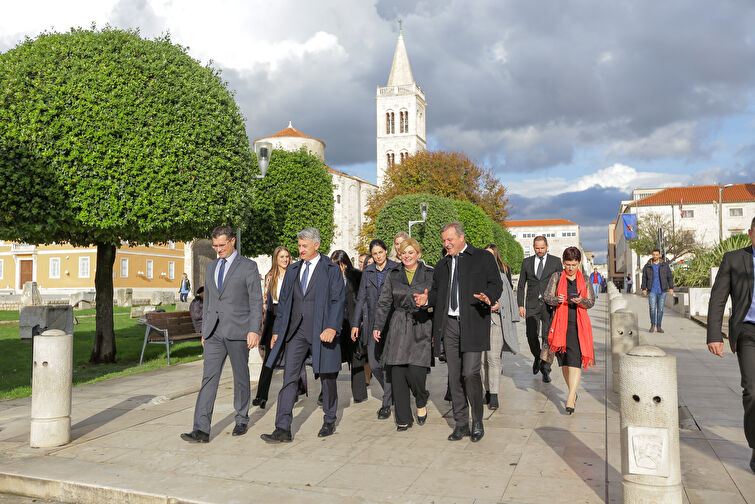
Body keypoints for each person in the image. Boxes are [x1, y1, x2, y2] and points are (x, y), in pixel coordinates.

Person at [414, 222, 503, 442]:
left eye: (450, 240)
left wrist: (488, 297)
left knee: (470, 373)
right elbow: (436, 293)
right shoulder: (442, 265)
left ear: (462, 237)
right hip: (450, 325)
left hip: (473, 322)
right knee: (454, 377)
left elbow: (496, 284)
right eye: (444, 240)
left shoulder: (483, 257)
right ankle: (461, 424)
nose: (446, 244)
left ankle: (478, 421)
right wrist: (427, 300)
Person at [261, 228, 345, 443]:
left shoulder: (331, 269)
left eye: (304, 246)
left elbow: (338, 301)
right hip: (295, 332)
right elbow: (285, 303)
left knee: (327, 377)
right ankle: (282, 428)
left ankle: (329, 419)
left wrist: (332, 327)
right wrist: (278, 331)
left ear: (316, 246)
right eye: (299, 246)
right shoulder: (293, 270)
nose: (300, 250)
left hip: (322, 331)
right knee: (289, 378)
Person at [181, 226, 263, 443]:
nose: (218, 250)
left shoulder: (248, 266)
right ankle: (201, 429)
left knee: (241, 378)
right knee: (208, 379)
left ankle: (242, 418)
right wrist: (205, 331)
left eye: (222, 245)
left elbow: (255, 300)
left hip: (238, 331)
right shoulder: (211, 268)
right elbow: (208, 302)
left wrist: (254, 330)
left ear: (232, 241)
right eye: (215, 246)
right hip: (214, 334)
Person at [707, 216, 755, 473]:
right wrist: (714, 334)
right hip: (748, 332)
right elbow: (718, 298)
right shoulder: (734, 259)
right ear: (750, 234)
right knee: (753, 391)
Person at [373, 238, 434, 431]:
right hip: (399, 325)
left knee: (416, 373)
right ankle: (403, 418)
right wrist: (378, 325)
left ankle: (421, 400)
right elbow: (384, 302)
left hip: (421, 324)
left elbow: (437, 299)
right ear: (399, 255)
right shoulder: (393, 274)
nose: (407, 256)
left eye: (411, 252)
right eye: (403, 253)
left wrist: (428, 304)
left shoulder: (429, 274)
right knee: (398, 373)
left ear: (418, 254)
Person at [351, 239, 400, 419]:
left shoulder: (395, 268)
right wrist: (356, 324)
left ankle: (386, 404)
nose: (378, 256)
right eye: (374, 254)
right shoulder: (368, 271)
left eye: (380, 252)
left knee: (388, 363)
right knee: (373, 363)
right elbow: (361, 298)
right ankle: (392, 389)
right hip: (372, 323)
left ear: (386, 251)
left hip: (392, 321)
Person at [253, 246, 307, 409]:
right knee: (270, 357)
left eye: (287, 256)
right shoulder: (271, 276)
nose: (285, 259)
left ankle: (296, 389)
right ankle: (261, 395)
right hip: (274, 317)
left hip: (291, 317)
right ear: (276, 258)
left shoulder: (295, 274)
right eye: (282, 256)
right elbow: (266, 301)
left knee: (293, 356)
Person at [544, 247, 595, 415]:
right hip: (560, 325)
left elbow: (591, 302)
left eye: (574, 264)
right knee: (565, 363)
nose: (571, 268)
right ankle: (572, 392)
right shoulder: (557, 277)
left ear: (579, 263)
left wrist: (582, 301)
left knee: (575, 361)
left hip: (578, 325)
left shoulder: (585, 279)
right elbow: (547, 297)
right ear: (562, 263)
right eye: (567, 264)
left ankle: (571, 396)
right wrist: (556, 300)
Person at [517, 236, 562, 383]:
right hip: (531, 304)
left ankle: (546, 369)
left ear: (547, 246)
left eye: (542, 248)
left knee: (547, 337)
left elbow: (560, 284)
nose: (540, 250)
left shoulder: (555, 262)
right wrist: (520, 304)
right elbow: (521, 285)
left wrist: (559, 303)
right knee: (531, 335)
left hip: (549, 306)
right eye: (537, 248)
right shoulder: (527, 262)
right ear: (533, 247)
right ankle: (537, 356)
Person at [481, 244, 519, 410]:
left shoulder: (502, 277)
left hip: (496, 322)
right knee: (481, 361)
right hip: (479, 322)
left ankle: (494, 394)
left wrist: (499, 307)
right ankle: (486, 391)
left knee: (493, 358)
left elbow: (509, 302)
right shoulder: (476, 277)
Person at [331, 250, 367, 403]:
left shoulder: (357, 277)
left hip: (353, 321)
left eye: (336, 264)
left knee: (356, 357)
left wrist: (360, 321)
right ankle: (326, 393)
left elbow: (362, 300)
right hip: (336, 323)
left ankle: (359, 393)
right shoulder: (329, 279)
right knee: (332, 358)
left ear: (343, 263)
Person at [641, 249, 674, 333]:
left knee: (660, 309)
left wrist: (671, 287)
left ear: (659, 255)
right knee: (652, 308)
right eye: (653, 254)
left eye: (656, 254)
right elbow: (644, 278)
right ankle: (652, 325)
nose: (655, 256)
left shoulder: (664, 265)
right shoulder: (647, 266)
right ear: (652, 255)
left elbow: (669, 276)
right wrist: (643, 288)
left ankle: (659, 326)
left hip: (662, 290)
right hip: (651, 290)